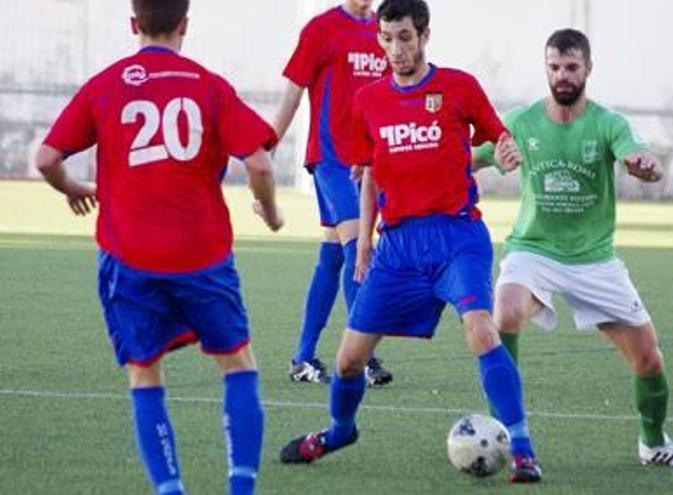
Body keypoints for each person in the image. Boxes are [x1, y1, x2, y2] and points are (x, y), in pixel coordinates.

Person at [278, 0, 543, 483]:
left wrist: (507, 149)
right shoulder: (370, 100)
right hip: (397, 246)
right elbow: (371, 173)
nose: (395, 49)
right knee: (349, 359)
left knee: (482, 330)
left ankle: (522, 447)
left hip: (456, 236)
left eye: (404, 37)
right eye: (386, 38)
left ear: (424, 35)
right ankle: (340, 431)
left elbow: (501, 138)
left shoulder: (459, 87)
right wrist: (362, 247)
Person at [34, 1, 283, 493]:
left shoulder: (106, 84)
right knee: (237, 363)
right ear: (185, 25)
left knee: (145, 373)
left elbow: (46, 158)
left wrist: (73, 189)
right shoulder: (208, 84)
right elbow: (260, 165)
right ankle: (241, 488)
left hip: (130, 257)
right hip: (203, 255)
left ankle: (170, 489)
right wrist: (271, 213)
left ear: (134, 24)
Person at [474, 28, 673, 469]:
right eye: (555, 67)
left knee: (649, 358)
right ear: (546, 68)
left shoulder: (607, 123)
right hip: (533, 249)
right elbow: (467, 159)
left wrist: (646, 167)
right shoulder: (521, 122)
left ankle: (653, 441)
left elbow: (636, 154)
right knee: (503, 311)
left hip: (594, 260)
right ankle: (506, 428)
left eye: (571, 67)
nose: (562, 75)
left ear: (588, 69)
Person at [273, 0, 393, 386]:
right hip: (331, 159)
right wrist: (269, 144)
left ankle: (302, 357)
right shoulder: (321, 29)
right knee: (357, 249)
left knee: (331, 257)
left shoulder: (387, 30)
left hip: (369, 163)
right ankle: (364, 354)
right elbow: (292, 92)